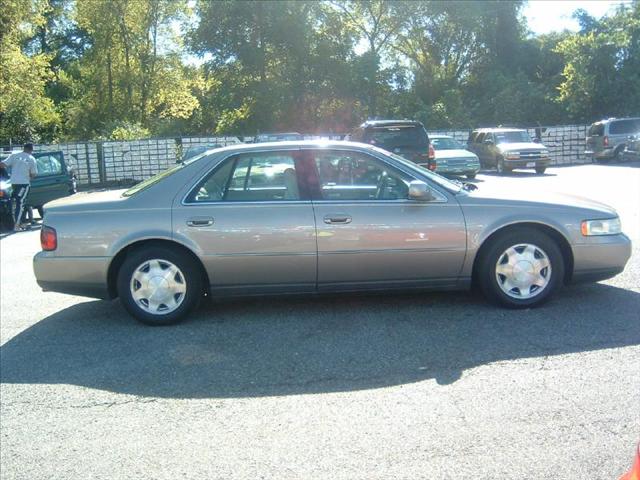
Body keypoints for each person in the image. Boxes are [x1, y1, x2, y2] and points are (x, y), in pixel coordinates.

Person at [0, 143, 38, 231]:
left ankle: (20, 223)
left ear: (23, 148)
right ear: (31, 150)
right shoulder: (31, 159)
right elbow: (33, 174)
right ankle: (17, 225)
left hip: (13, 184)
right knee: (20, 203)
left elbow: (2, 165)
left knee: (13, 203)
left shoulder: (14, 155)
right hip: (24, 185)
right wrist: (28, 177)